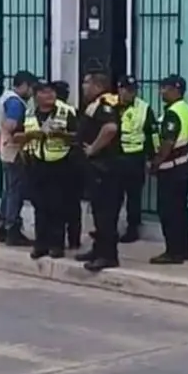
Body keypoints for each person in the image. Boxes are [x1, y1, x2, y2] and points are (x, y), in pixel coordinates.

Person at [21, 79, 79, 260]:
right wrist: (30, 136)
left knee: (58, 206)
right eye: (45, 92)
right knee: (40, 206)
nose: (49, 96)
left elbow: (78, 136)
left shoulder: (66, 111)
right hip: (37, 163)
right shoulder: (30, 112)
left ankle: (57, 245)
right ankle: (41, 244)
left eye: (52, 92)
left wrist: (61, 135)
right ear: (37, 95)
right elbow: (18, 135)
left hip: (61, 163)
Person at [74, 72, 122, 271]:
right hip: (96, 170)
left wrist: (93, 148)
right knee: (98, 211)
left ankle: (108, 255)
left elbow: (110, 129)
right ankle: (98, 249)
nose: (83, 87)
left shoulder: (104, 105)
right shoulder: (95, 105)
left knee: (105, 213)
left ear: (96, 85)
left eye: (86, 83)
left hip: (105, 169)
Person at [148, 74, 188, 264]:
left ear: (176, 90)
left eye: (165, 88)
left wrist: (155, 163)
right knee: (181, 212)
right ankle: (183, 250)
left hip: (172, 170)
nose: (161, 91)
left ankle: (173, 252)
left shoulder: (172, 113)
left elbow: (168, 143)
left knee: (169, 212)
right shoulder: (186, 109)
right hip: (184, 169)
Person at [0, 71, 38, 246]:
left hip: (6, 149)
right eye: (31, 88)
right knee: (16, 192)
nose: (32, 93)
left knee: (9, 190)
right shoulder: (15, 103)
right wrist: (26, 134)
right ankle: (13, 228)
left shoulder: (6, 97)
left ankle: (3, 225)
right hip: (14, 151)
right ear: (25, 85)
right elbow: (11, 125)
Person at [115, 75, 157, 244]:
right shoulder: (109, 105)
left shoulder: (144, 108)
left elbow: (152, 134)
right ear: (119, 89)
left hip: (135, 158)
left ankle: (132, 229)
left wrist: (152, 158)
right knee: (112, 196)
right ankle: (109, 228)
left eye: (133, 90)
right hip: (114, 157)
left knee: (134, 196)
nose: (130, 94)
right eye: (126, 90)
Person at [52, 80, 82, 249]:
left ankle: (58, 240)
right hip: (73, 163)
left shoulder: (55, 112)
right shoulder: (73, 111)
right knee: (72, 204)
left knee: (58, 204)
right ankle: (74, 240)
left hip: (61, 162)